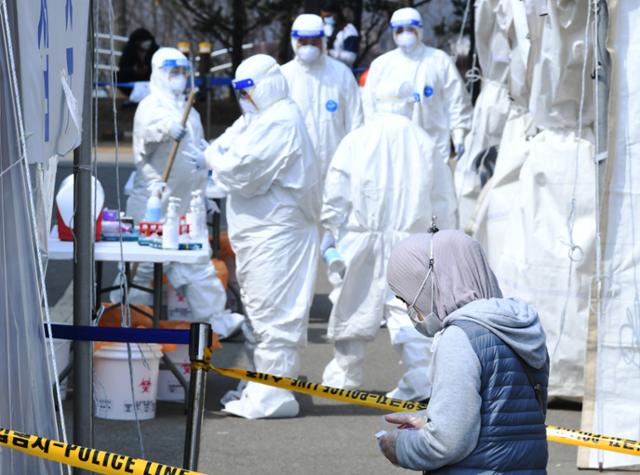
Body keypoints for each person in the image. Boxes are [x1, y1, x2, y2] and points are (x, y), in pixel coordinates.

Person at [320, 80, 457, 402]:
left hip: (361, 236)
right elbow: (442, 200)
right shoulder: (423, 142)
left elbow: (336, 188)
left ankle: (345, 374)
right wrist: (444, 237)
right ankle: (420, 377)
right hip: (411, 239)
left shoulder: (357, 139)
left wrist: (330, 225)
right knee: (407, 307)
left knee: (352, 301)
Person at [204, 54, 322, 419]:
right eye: (237, 89)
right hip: (262, 233)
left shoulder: (281, 120)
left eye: (247, 88)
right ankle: (264, 383)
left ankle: (274, 394)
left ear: (268, 84)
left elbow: (243, 171)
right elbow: (227, 145)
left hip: (278, 233)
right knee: (259, 308)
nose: (243, 96)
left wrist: (214, 157)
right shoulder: (260, 119)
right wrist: (218, 154)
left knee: (275, 313)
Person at [378, 230, 549, 473]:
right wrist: (431, 418)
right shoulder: (520, 326)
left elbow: (445, 444)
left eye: (408, 299)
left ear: (431, 283)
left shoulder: (460, 337)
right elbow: (506, 418)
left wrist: (398, 445)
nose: (412, 309)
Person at [122, 47, 241, 338]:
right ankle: (126, 320)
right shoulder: (150, 106)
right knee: (144, 269)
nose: (178, 78)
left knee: (196, 264)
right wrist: (166, 130)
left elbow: (198, 153)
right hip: (154, 203)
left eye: (182, 72)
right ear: (159, 73)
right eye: (172, 72)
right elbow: (145, 137)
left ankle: (215, 319)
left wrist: (204, 194)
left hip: (187, 205)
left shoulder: (191, 111)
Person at [362, 7, 472, 164]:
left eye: (410, 29)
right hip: (392, 148)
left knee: (432, 186)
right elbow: (369, 105)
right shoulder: (381, 65)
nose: (405, 34)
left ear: (419, 30)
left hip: (433, 146)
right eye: (400, 30)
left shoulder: (438, 60)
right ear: (394, 33)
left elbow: (456, 99)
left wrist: (460, 132)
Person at [281, 13, 363, 179]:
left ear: (323, 41)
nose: (308, 46)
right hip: (295, 173)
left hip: (336, 169)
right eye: (303, 41)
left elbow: (356, 122)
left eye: (314, 41)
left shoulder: (341, 74)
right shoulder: (283, 77)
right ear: (293, 41)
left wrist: (355, 161)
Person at [117, 28, 159, 95]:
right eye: (144, 40)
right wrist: (133, 70)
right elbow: (122, 68)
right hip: (132, 79)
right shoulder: (128, 51)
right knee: (117, 76)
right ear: (137, 42)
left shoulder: (155, 50)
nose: (147, 42)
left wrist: (148, 69)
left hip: (150, 78)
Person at [320, 1, 360, 67]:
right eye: (323, 17)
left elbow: (351, 57)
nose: (326, 19)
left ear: (336, 14)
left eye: (328, 16)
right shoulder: (325, 28)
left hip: (342, 70)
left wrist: (330, 53)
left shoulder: (349, 30)